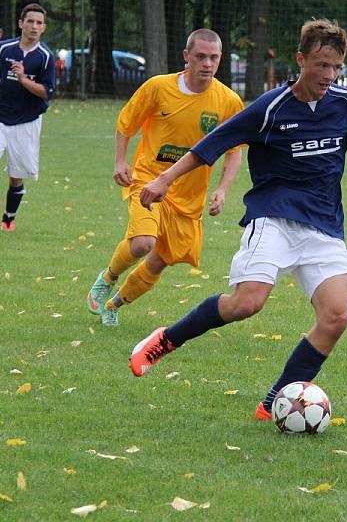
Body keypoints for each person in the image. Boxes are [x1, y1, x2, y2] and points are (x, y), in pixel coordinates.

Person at [131, 19, 347, 422]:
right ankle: (165, 340)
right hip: (273, 218)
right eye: (321, 65)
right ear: (301, 60)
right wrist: (164, 179)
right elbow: (211, 145)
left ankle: (277, 401)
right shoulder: (270, 107)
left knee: (337, 317)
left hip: (324, 227)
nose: (329, 75)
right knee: (247, 302)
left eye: (335, 67)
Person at [85, 29, 244, 327]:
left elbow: (234, 150)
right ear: (187, 57)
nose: (207, 64)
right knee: (144, 242)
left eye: (214, 57)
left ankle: (114, 304)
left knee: (159, 261)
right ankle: (108, 277)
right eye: (200, 56)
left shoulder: (228, 101)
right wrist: (120, 160)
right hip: (148, 179)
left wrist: (222, 189)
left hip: (189, 197)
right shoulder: (158, 87)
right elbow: (126, 123)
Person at [0, 4, 55, 231]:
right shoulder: (3, 48)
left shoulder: (45, 57)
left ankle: (9, 216)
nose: (34, 26)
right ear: (21, 23)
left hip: (27, 122)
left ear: (44, 28)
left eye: (39, 23)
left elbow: (47, 92)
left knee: (16, 177)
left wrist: (23, 79)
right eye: (30, 21)